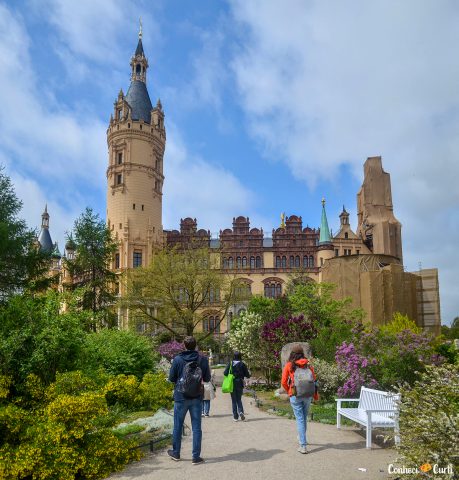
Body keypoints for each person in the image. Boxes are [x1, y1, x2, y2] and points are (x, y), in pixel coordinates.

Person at [167, 336, 211, 465]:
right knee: (197, 427)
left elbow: (171, 378)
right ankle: (196, 457)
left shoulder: (178, 359)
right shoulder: (202, 359)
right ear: (195, 345)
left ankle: (176, 453)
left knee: (178, 426)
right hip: (196, 397)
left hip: (180, 397)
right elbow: (207, 378)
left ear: (184, 345)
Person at [281, 345, 319, 454]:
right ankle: (302, 438)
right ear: (302, 354)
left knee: (300, 419)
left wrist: (290, 391)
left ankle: (303, 445)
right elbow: (314, 380)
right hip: (308, 395)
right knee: (303, 418)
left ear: (292, 354)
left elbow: (283, 382)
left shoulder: (289, 365)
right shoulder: (308, 365)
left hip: (295, 395)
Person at [224, 351, 251, 421]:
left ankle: (235, 417)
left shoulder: (230, 363)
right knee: (239, 399)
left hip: (232, 383)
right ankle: (241, 412)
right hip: (240, 383)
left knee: (233, 400)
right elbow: (247, 375)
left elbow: (225, 373)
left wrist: (231, 374)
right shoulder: (242, 364)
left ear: (234, 356)